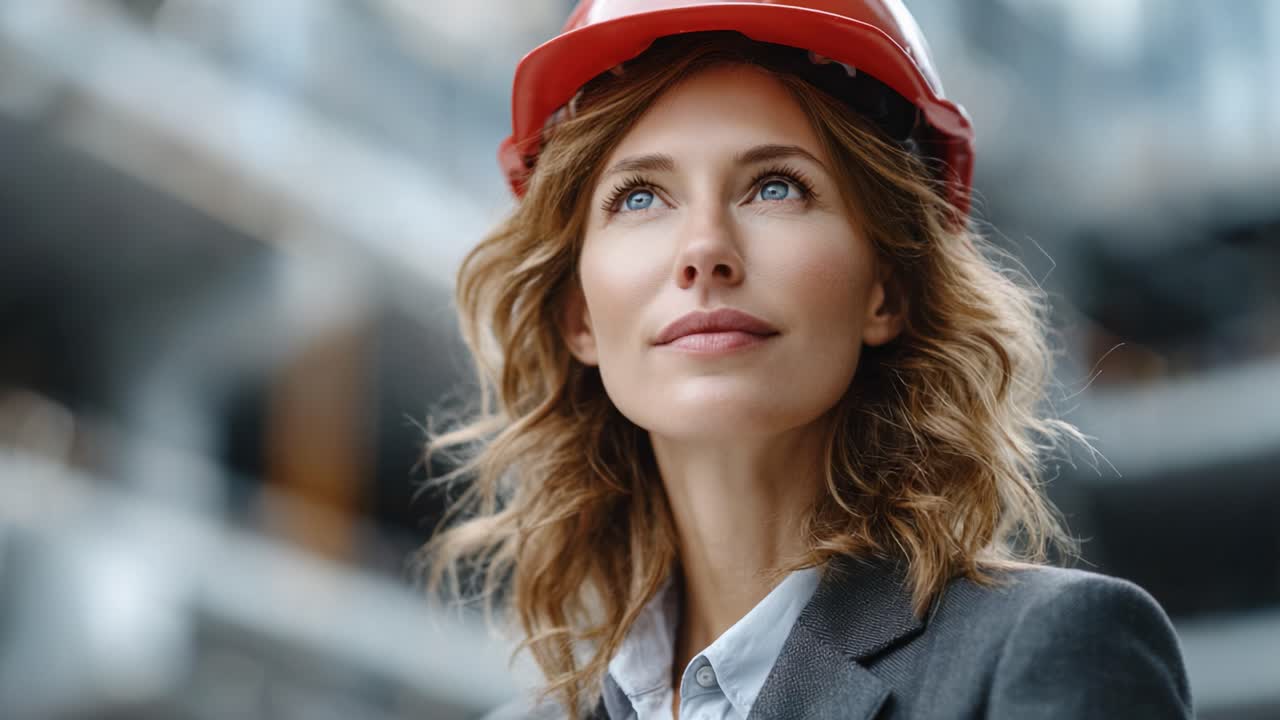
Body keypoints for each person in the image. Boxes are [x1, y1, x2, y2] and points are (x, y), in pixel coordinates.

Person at [423, 2, 1194, 718]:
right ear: (579, 315)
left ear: (885, 291)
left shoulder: (1049, 652)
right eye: (639, 197)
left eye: (775, 186)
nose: (704, 252)